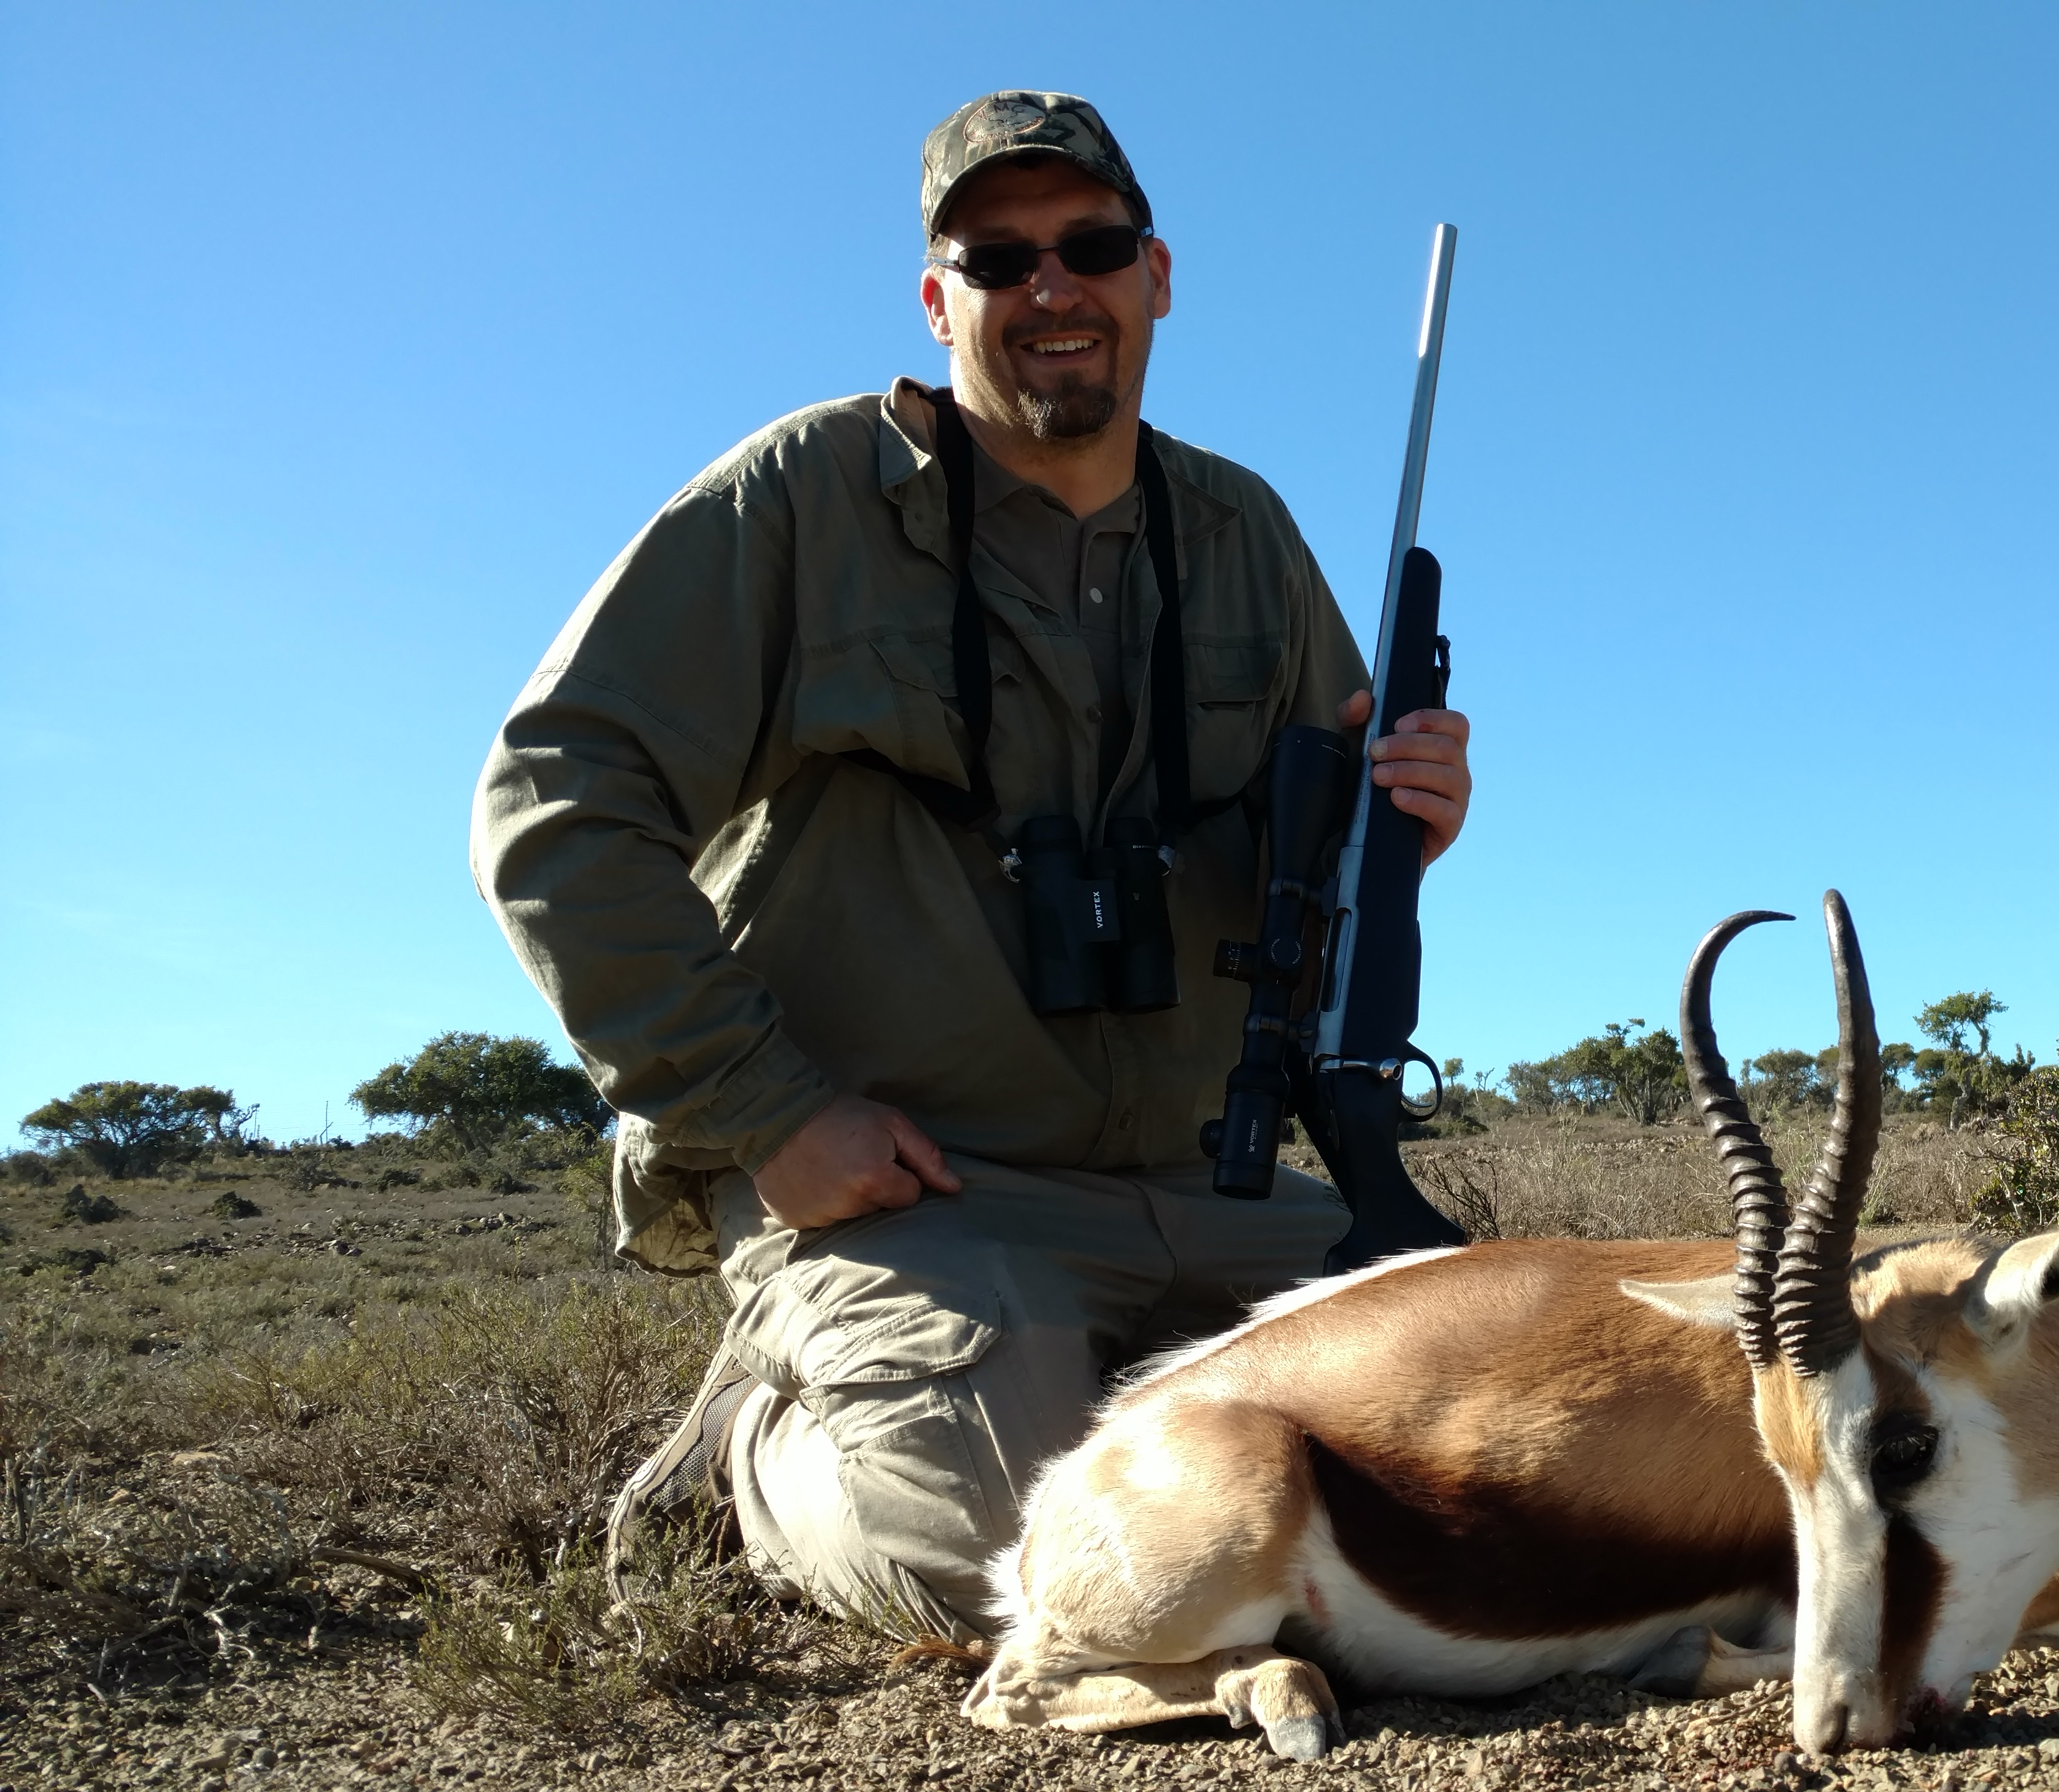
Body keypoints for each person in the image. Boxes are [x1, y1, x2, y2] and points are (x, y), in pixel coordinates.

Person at [469, 90, 1473, 1639]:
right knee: (1028, 1569)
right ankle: (760, 1439)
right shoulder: (797, 501)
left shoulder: (1243, 534)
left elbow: (1321, 874)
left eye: (1091, 246)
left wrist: (1407, 821)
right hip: (909, 1190)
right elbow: (556, 802)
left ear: (1155, 276)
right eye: (998, 262)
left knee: (1525, 1421)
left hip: (1199, 1185)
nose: (1051, 288)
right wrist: (767, 1110)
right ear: (941, 302)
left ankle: (1118, 1396)